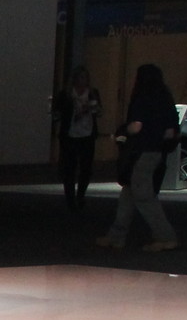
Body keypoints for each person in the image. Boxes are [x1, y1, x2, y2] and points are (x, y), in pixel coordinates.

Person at [101, 62, 180, 252]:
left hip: (141, 152)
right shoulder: (166, 98)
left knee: (143, 196)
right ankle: (116, 236)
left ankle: (165, 236)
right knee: (129, 193)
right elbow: (170, 132)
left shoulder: (142, 98)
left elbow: (136, 126)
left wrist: (123, 132)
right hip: (157, 152)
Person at [55, 66, 101, 212]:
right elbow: (57, 113)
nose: (84, 81)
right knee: (69, 168)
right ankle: (70, 200)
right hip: (70, 135)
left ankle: (80, 195)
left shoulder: (93, 94)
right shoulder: (66, 95)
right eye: (81, 77)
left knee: (86, 168)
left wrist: (92, 109)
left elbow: (98, 112)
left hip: (87, 134)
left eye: (85, 77)